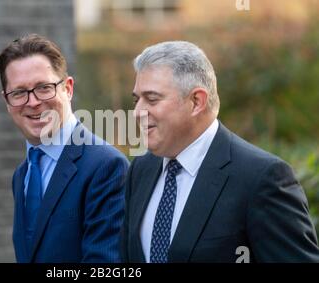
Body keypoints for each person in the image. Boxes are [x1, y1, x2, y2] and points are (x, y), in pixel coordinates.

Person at [120, 40, 319, 263]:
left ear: (196, 101)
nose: (138, 112)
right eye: (137, 100)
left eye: (152, 99)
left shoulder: (262, 178)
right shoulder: (141, 169)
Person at [0, 34, 129, 263]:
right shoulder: (22, 175)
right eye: (19, 93)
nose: (33, 102)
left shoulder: (107, 167)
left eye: (44, 87)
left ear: (68, 88)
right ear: (7, 101)